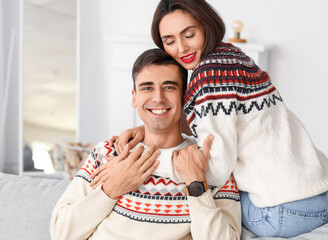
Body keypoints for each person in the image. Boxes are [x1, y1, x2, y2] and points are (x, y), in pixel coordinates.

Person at [97, 0, 328, 238]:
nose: (182, 48)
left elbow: (215, 170)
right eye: (169, 41)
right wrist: (146, 129)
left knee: (194, 207)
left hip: (282, 211)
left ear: (206, 26)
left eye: (189, 35)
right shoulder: (230, 55)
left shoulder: (210, 76)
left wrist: (139, 165)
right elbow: (214, 118)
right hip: (316, 190)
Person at [50, 48, 241, 240]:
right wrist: (112, 188)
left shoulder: (212, 161)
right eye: (147, 88)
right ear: (134, 98)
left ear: (185, 97)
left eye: (169, 87)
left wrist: (196, 185)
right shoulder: (106, 152)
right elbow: (60, 233)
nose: (158, 97)